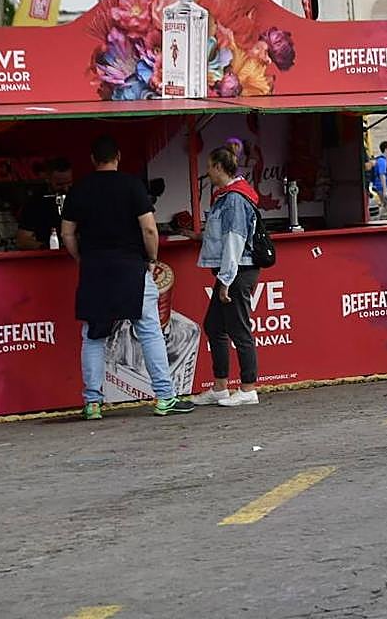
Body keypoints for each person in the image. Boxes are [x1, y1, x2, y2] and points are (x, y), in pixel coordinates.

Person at [60, 136, 193, 419]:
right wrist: (153, 259)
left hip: (94, 270)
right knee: (149, 331)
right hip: (131, 268)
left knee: (93, 336)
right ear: (118, 156)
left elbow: (67, 233)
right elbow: (149, 230)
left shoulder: (79, 189)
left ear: (93, 160)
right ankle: (164, 398)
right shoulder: (133, 185)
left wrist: (81, 259)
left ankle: (93, 404)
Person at [190, 146, 263, 406]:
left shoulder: (233, 198)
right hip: (234, 269)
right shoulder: (229, 195)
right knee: (214, 326)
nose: (207, 171)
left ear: (219, 167)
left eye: (209, 166)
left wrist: (226, 280)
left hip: (238, 270)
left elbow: (235, 240)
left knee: (239, 329)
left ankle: (248, 388)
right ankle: (221, 386)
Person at [16, 157, 73, 250]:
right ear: (48, 179)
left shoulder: (79, 197)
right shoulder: (35, 203)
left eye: (69, 183)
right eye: (60, 184)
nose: (66, 189)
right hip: (46, 259)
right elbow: (22, 241)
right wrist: (47, 246)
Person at [371, 141, 387, 218]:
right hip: (381, 187)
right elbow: (382, 175)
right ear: (386, 150)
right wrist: (385, 190)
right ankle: (379, 218)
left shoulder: (381, 160)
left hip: (381, 186)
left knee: (385, 205)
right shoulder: (382, 161)